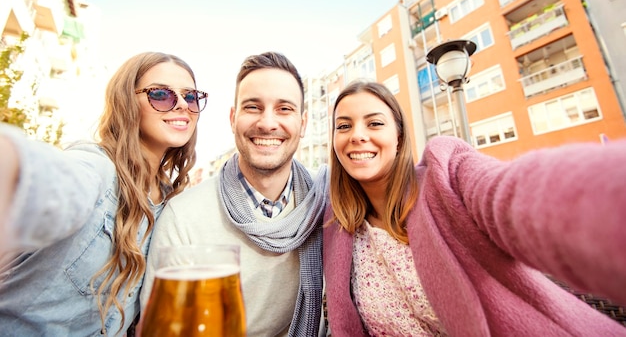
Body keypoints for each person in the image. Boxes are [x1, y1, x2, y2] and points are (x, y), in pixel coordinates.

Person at [323, 80, 626, 336]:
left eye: (374, 123)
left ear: (399, 138)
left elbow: (514, 195)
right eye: (344, 126)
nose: (357, 135)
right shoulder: (339, 225)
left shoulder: (445, 177)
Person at [0, 52, 207, 336]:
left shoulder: (170, 202)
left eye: (191, 96)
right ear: (127, 102)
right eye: (160, 94)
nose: (182, 105)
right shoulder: (97, 167)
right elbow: (48, 181)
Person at [140, 51, 328, 336]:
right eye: (253, 107)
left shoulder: (327, 205)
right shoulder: (184, 217)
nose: (267, 123)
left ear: (302, 124)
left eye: (284, 109)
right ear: (232, 118)